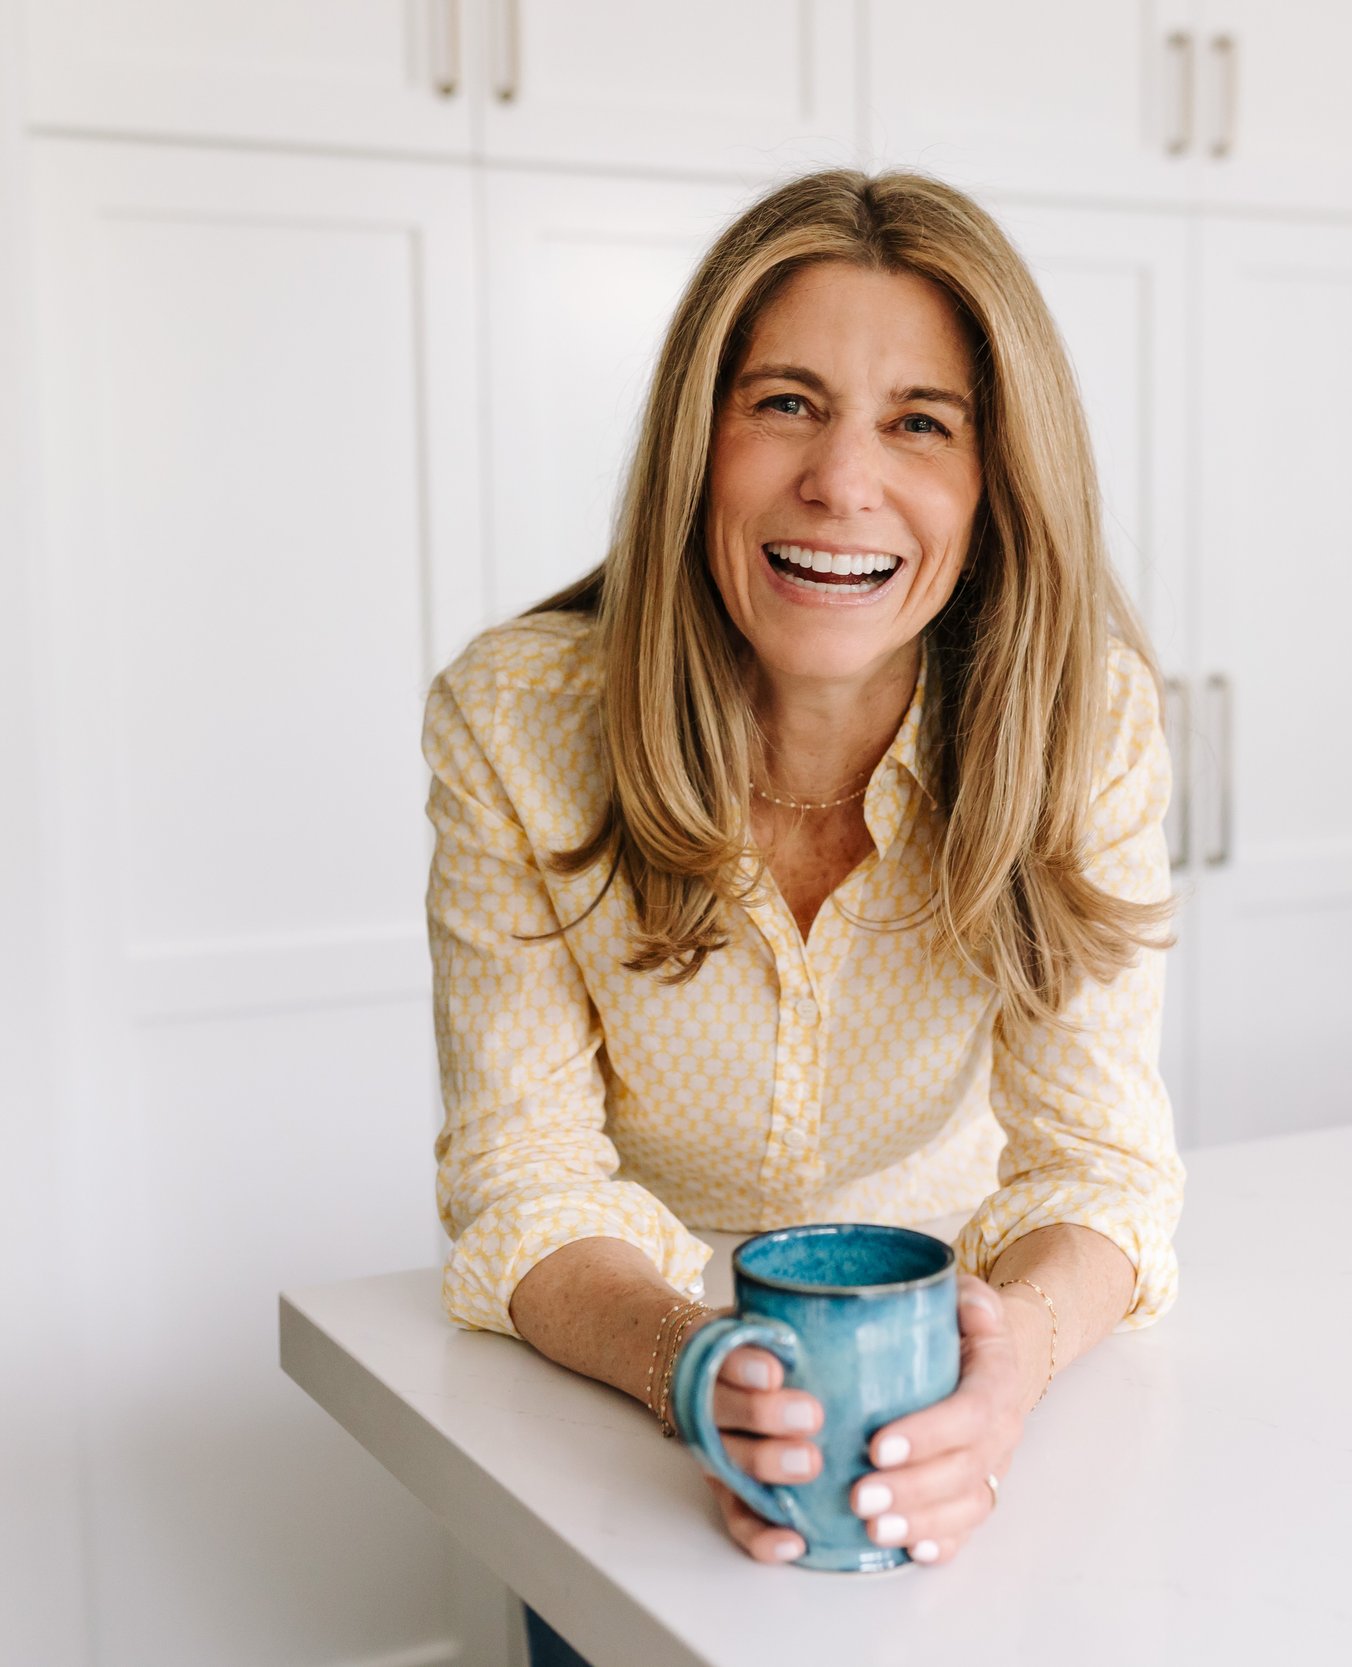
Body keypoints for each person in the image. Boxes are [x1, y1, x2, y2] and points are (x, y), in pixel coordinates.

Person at [423, 168, 1183, 1617]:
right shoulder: (516, 724)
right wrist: (684, 1364)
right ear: (697, 447)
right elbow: (524, 1186)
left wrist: (1012, 1360)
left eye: (920, 424)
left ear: (995, 483)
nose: (843, 481)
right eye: (783, 403)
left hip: (947, 1382)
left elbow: (1102, 1172)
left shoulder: (1087, 729)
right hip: (615, 1376)